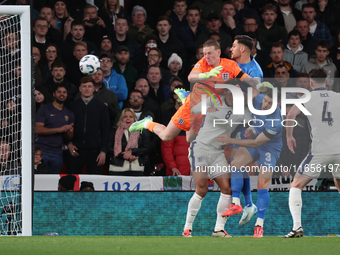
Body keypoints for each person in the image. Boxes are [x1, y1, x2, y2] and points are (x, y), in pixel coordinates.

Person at [129, 39, 268, 141]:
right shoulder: (203, 63)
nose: (207, 56)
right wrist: (205, 75)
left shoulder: (230, 65)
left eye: (210, 53)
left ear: (219, 53)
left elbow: (245, 77)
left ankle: (185, 97)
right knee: (166, 136)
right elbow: (191, 77)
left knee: (190, 140)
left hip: (209, 107)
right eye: (204, 53)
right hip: (194, 104)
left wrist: (259, 85)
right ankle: (147, 122)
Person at [182, 87, 253, 238]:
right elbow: (192, 108)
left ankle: (219, 230)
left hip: (217, 153)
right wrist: (204, 107)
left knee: (226, 189)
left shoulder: (243, 109)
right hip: (200, 147)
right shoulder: (213, 100)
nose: (234, 97)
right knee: (202, 190)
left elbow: (252, 123)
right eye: (231, 94)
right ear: (226, 93)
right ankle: (187, 228)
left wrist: (251, 129)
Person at [216, 88, 283, 238]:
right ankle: (241, 204)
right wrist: (252, 129)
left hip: (269, 148)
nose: (265, 104)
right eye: (265, 100)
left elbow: (256, 143)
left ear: (277, 104)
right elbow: (243, 96)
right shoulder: (258, 98)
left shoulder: (276, 123)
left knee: (261, 184)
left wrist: (231, 140)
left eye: (270, 103)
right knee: (236, 163)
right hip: (257, 138)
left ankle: (259, 225)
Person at [284, 67, 340, 238]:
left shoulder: (306, 98)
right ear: (327, 82)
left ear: (310, 83)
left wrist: (289, 136)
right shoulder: (338, 97)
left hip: (320, 151)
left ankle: (297, 227)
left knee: (296, 185)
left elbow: (290, 115)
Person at [67, 76, 111, 174]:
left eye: (89, 86)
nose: (87, 89)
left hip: (95, 152)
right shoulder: (72, 106)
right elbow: (67, 127)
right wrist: (69, 144)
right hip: (75, 150)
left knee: (94, 183)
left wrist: (103, 151)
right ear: (80, 88)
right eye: (84, 86)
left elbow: (106, 130)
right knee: (72, 182)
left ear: (94, 89)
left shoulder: (101, 107)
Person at [35, 84, 75, 174]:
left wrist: (67, 131)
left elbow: (69, 138)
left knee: (53, 182)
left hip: (57, 153)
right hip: (42, 151)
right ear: (54, 94)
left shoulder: (69, 114)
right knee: (40, 179)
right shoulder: (44, 109)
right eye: (59, 92)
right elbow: (37, 130)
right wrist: (59, 129)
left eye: (64, 92)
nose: (62, 94)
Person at [108, 109, 149, 176]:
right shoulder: (114, 132)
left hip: (137, 168)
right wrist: (123, 156)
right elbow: (109, 148)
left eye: (131, 117)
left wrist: (131, 152)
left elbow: (146, 148)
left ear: (135, 119)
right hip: (117, 168)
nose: (128, 119)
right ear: (121, 119)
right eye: (125, 117)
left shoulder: (142, 132)